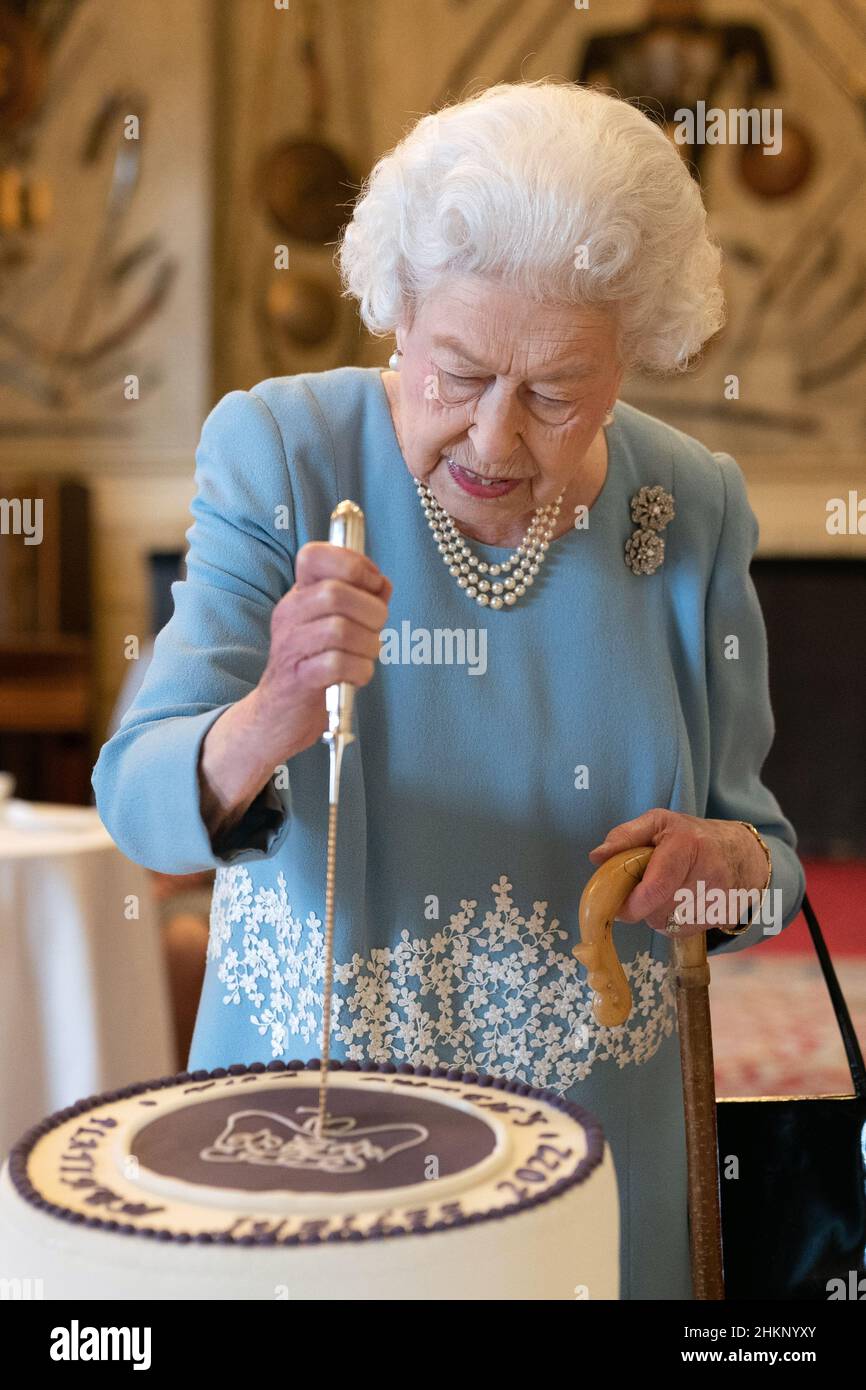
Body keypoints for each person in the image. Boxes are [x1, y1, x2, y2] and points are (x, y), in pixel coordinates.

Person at [93, 80, 805, 1300]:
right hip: (313, 1143)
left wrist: (727, 863)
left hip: (597, 1160)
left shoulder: (688, 504)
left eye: (553, 392)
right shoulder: (281, 451)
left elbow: (769, 860)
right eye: (458, 372)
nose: (491, 439)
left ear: (630, 352)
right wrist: (274, 702)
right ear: (397, 317)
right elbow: (139, 801)